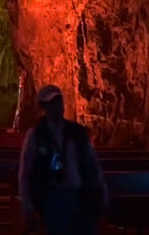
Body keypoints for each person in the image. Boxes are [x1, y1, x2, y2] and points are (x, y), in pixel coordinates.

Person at [18, 85, 107, 235]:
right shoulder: (36, 135)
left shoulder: (77, 132)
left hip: (80, 195)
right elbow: (25, 172)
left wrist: (101, 193)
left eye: (58, 101)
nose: (56, 106)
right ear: (43, 107)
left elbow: (92, 164)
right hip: (53, 197)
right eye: (51, 103)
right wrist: (27, 204)